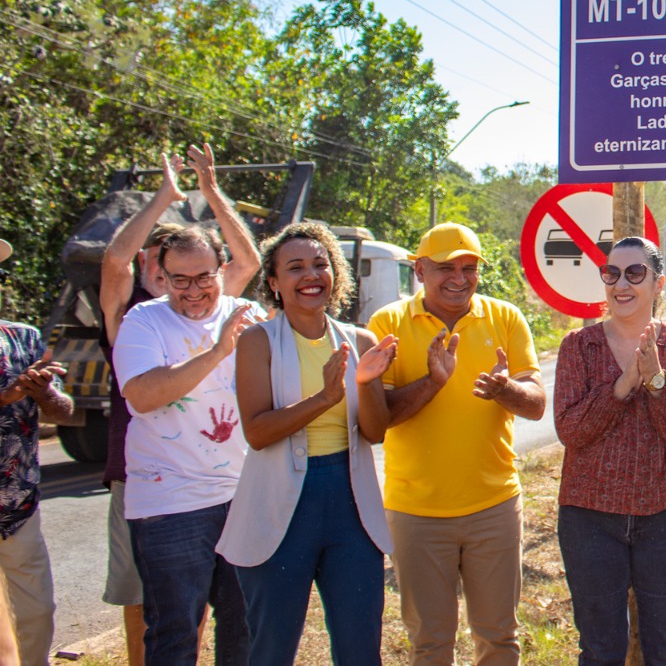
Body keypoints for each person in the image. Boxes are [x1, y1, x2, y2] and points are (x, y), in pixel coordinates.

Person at [98, 145, 260, 664]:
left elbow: (253, 261)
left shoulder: (244, 311)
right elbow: (143, 396)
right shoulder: (143, 320)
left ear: (221, 271)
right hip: (168, 506)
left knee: (244, 629)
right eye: (180, 280)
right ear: (161, 276)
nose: (193, 290)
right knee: (174, 634)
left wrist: (210, 190)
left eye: (204, 277)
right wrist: (218, 352)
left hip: (242, 498)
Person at [215, 222, 398, 664]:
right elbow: (257, 433)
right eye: (295, 267)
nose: (311, 275)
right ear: (274, 282)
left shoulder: (360, 341)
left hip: (350, 508)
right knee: (271, 649)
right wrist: (323, 399)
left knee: (360, 649)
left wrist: (366, 383)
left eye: (320, 264)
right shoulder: (257, 341)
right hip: (279, 509)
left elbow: (375, 432)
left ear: (335, 273)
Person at [371, 222, 545, 666]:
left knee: (499, 639)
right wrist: (433, 382)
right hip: (416, 511)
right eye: (446, 267)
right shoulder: (387, 323)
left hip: (494, 506)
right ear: (419, 270)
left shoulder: (505, 317)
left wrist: (506, 390)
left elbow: (537, 404)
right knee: (430, 643)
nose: (459, 278)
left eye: (469, 268)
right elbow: (378, 418)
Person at [555, 237, 666, 665]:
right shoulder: (577, 346)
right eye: (612, 273)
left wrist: (655, 379)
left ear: (659, 283)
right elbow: (571, 431)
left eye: (635, 273)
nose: (621, 284)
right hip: (589, 517)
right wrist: (623, 384)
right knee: (600, 649)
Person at [0, 239, 73, 666]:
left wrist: (43, 392)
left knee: (37, 614)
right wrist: (6, 397)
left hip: (17, 505)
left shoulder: (24, 338)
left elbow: (64, 412)